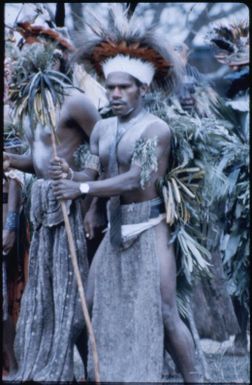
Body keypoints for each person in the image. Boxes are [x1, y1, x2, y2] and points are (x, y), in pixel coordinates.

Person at [49, 5, 201, 382]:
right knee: (86, 307)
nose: (114, 94)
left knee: (166, 314)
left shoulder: (156, 130)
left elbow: (135, 179)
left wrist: (82, 187)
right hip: (116, 228)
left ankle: (196, 378)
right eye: (110, 86)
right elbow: (94, 170)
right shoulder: (101, 129)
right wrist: (73, 175)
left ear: (143, 88)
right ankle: (100, 373)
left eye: (124, 87)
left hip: (150, 228)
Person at [3, 24, 101, 381]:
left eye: (35, 49)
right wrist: (12, 160)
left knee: (74, 296)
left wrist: (85, 188)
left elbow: (105, 149)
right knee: (45, 294)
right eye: (24, 49)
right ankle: (53, 365)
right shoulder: (32, 105)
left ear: (56, 56)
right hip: (43, 205)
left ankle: (93, 367)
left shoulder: (75, 100)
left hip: (70, 204)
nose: (28, 56)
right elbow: (37, 159)